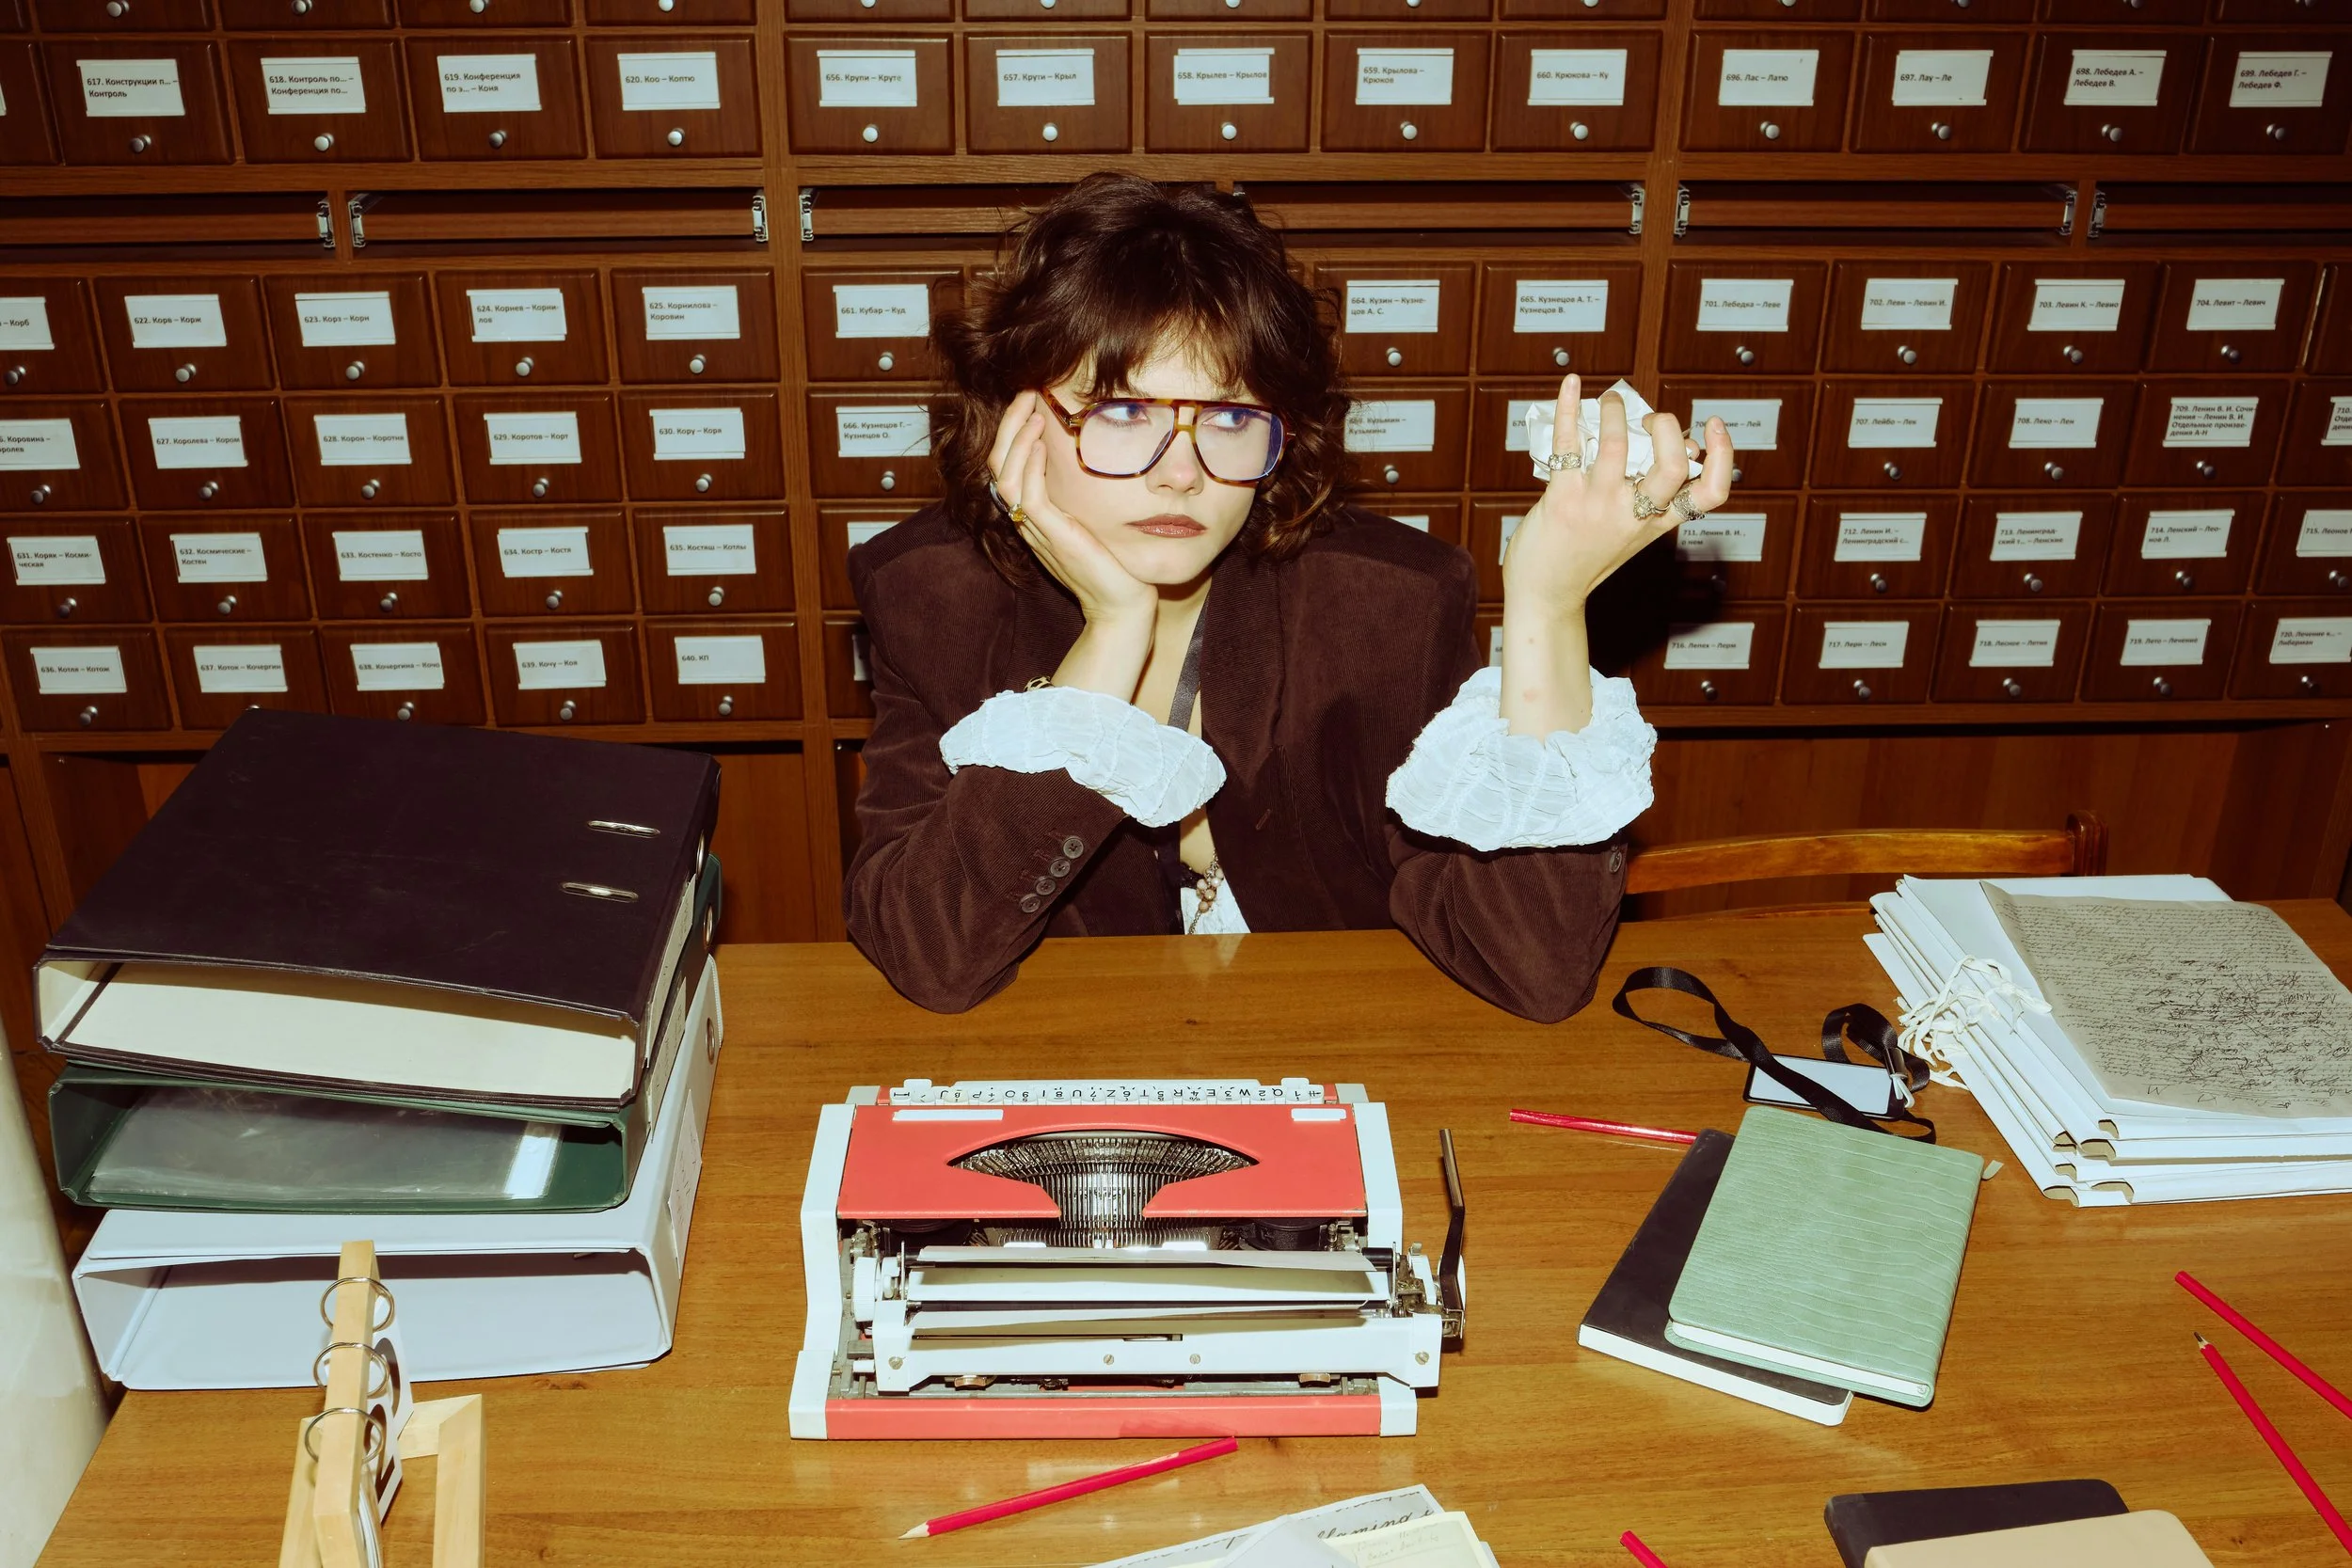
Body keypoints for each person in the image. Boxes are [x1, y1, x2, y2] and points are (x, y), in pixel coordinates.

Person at [843, 174, 1734, 1020]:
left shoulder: (1381, 609)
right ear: (1017, 421)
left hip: (1334, 1046)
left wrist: (1549, 605)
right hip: (1078, 1056)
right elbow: (930, 954)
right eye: (1123, 413)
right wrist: (1111, 638)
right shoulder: (929, 597)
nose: (1183, 474)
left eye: (1229, 418)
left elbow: (1533, 969)